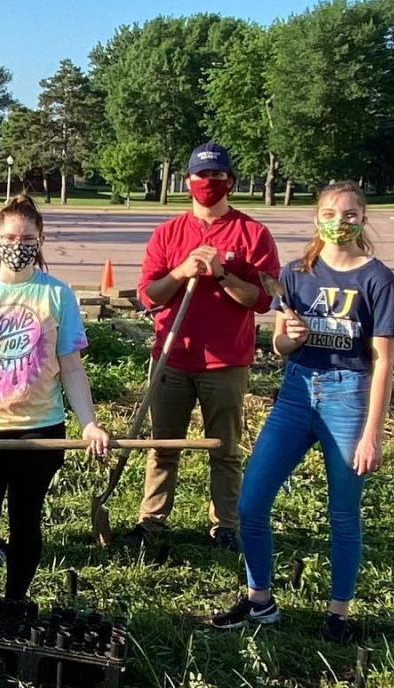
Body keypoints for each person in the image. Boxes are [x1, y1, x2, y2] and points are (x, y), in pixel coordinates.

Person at [213, 182, 394, 644]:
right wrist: (290, 336)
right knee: (251, 503)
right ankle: (260, 599)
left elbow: (384, 362)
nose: (341, 221)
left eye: (351, 214)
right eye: (331, 213)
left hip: (349, 396)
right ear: (317, 218)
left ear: (363, 219)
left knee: (343, 513)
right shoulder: (296, 273)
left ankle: (338, 612)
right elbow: (278, 345)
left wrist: (373, 433)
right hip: (297, 391)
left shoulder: (377, 280)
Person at [0, 196, 111, 602]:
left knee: (26, 520)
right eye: (11, 237)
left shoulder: (57, 295)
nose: (19, 244)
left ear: (40, 240)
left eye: (27, 237)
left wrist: (89, 423)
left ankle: (16, 599)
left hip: (41, 431)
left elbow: (70, 367)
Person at [125, 142, 280, 551]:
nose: (208, 184)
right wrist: (180, 271)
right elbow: (149, 295)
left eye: (216, 176)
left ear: (229, 180)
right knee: (162, 447)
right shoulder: (168, 233)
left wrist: (222, 274)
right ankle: (152, 521)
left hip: (225, 362)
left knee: (225, 450)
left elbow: (262, 300)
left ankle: (225, 526)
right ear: (188, 181)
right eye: (200, 176)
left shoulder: (253, 234)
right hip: (172, 358)